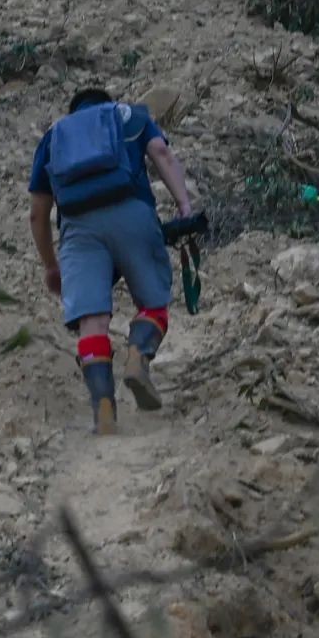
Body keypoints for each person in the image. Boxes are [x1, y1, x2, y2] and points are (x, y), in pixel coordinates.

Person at [28, 87, 195, 434]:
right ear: (107, 103)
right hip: (132, 213)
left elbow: (37, 214)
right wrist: (184, 206)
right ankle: (138, 354)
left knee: (91, 322)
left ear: (73, 111)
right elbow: (161, 152)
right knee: (153, 302)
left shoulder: (53, 137)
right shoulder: (129, 116)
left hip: (78, 230)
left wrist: (50, 265)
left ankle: (103, 406)